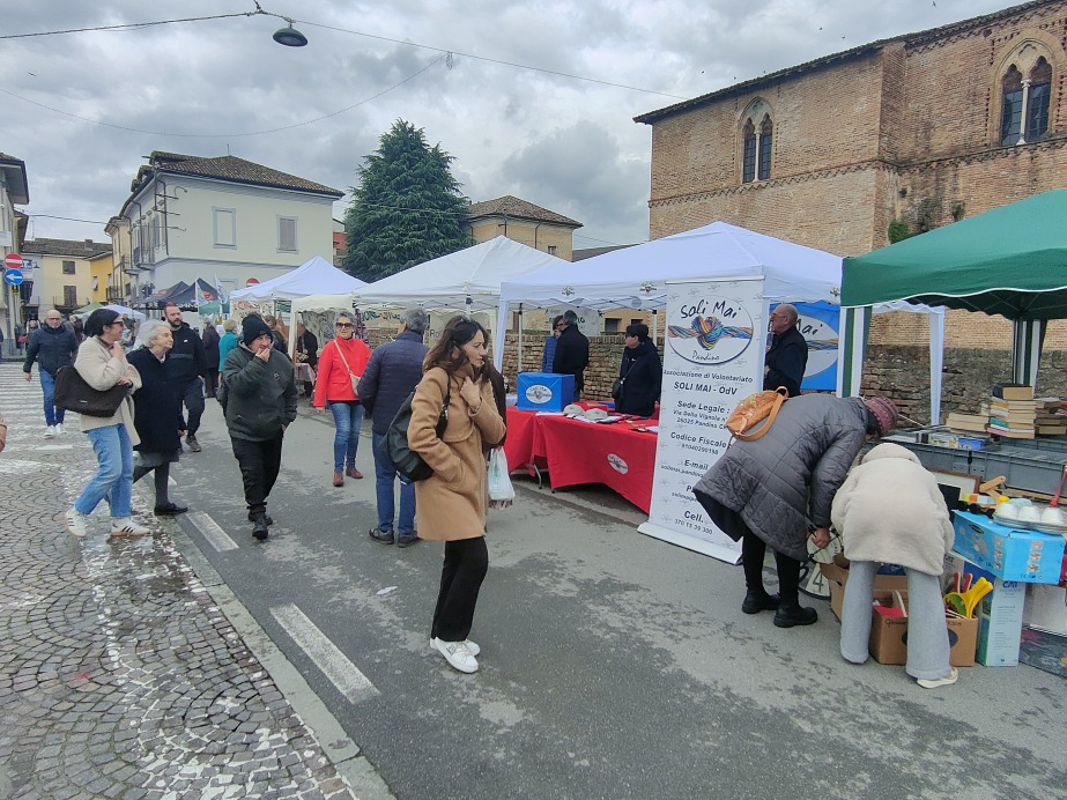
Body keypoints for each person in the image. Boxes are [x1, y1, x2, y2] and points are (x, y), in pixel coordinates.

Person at [693, 395, 899, 628]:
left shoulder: (826, 401)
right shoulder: (854, 428)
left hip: (745, 452)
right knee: (788, 538)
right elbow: (827, 477)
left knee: (754, 525)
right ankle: (789, 608)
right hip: (779, 470)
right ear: (873, 432)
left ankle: (754, 595)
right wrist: (821, 525)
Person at [409, 316, 506, 674]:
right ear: (456, 347)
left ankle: (440, 633)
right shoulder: (435, 379)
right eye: (476, 345)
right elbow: (419, 436)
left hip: (471, 487)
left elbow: (497, 433)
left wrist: (476, 403)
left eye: (484, 345)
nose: (482, 352)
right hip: (444, 483)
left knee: (457, 558)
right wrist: (455, 471)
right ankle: (452, 637)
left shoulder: (482, 381)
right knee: (475, 559)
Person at [831, 442, 958, 689]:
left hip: (865, 518)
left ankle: (853, 650)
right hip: (917, 522)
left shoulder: (862, 471)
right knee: (925, 587)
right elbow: (943, 516)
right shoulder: (923, 474)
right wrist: (943, 548)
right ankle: (929, 670)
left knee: (859, 577)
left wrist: (850, 536)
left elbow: (838, 511)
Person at [64, 308, 150, 538]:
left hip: (120, 415)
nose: (124, 328)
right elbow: (101, 380)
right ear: (105, 327)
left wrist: (128, 381)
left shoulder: (114, 347)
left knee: (125, 471)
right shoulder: (89, 349)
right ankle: (78, 511)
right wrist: (116, 359)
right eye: (119, 323)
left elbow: (133, 377)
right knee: (111, 469)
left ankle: (121, 519)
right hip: (99, 417)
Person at [220, 315, 298, 540]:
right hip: (243, 428)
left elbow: (290, 392)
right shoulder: (234, 358)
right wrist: (257, 362)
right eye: (259, 339)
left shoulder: (281, 360)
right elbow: (238, 386)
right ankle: (258, 513)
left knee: (270, 471)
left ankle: (257, 503)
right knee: (252, 471)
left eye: (267, 338)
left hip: (272, 427)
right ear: (248, 341)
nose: (265, 343)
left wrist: (286, 419)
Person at [357, 307, 429, 547]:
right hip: (414, 427)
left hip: (384, 425)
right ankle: (406, 531)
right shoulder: (429, 357)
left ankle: (384, 528)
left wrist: (374, 410)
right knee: (409, 477)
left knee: (384, 477)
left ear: (403, 325)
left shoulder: (383, 352)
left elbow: (364, 389)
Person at [127, 320, 188, 516]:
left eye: (170, 335)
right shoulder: (136, 360)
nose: (170, 338)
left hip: (166, 419)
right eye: (165, 335)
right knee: (150, 460)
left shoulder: (166, 360)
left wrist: (179, 422)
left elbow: (171, 393)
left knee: (164, 459)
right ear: (153, 339)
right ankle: (114, 493)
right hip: (146, 420)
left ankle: (162, 502)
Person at [314, 311, 372, 486]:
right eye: (340, 325)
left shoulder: (362, 347)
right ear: (336, 327)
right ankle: (338, 470)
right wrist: (319, 401)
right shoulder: (330, 348)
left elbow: (370, 372)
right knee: (344, 431)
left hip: (357, 395)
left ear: (353, 327)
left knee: (354, 433)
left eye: (347, 325)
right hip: (337, 396)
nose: (343, 328)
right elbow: (322, 376)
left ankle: (351, 466)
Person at [23, 308, 79, 438]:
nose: (54, 321)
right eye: (51, 319)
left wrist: (74, 365)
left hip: (64, 369)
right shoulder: (38, 334)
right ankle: (50, 425)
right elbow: (31, 352)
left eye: (57, 319)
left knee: (61, 397)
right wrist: (27, 370)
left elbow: (76, 350)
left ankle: (59, 422)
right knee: (49, 396)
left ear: (61, 320)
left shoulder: (68, 334)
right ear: (46, 320)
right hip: (46, 369)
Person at [162, 302, 207, 453]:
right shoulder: (161, 335)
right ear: (165, 316)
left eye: (178, 313)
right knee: (173, 413)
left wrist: (201, 374)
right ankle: (176, 440)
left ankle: (191, 435)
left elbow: (201, 355)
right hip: (169, 382)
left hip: (191, 381)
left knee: (196, 408)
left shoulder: (191, 334)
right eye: (172, 314)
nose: (176, 317)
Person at [614, 323, 662, 416]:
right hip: (623, 403)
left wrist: (648, 401)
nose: (624, 338)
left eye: (627, 335)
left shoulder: (651, 355)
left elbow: (657, 381)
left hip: (641, 407)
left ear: (635, 338)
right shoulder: (627, 352)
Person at [765, 304, 807, 398]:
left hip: (781, 401)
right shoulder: (778, 339)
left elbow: (790, 384)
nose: (771, 320)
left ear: (786, 320)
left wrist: (768, 372)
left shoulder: (793, 345)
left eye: (774, 316)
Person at [552, 309, 589, 402]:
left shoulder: (563, 339)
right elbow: (585, 361)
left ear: (565, 321)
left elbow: (557, 362)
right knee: (575, 407)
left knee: (562, 406)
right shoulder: (583, 339)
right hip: (577, 378)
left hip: (563, 378)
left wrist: (555, 376)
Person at [294, 322, 319, 400]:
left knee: (311, 376)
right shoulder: (300, 338)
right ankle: (306, 391)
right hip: (303, 359)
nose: (298, 331)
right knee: (305, 376)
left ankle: (311, 392)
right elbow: (299, 347)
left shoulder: (311, 336)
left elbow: (315, 347)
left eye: (299, 329)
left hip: (311, 359)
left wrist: (308, 351)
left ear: (303, 328)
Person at [201, 321, 221, 398]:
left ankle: (210, 392)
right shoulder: (215, 333)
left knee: (208, 376)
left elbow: (206, 343)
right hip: (216, 357)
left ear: (206, 324)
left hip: (208, 358)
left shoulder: (206, 332)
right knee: (215, 375)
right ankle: (216, 391)